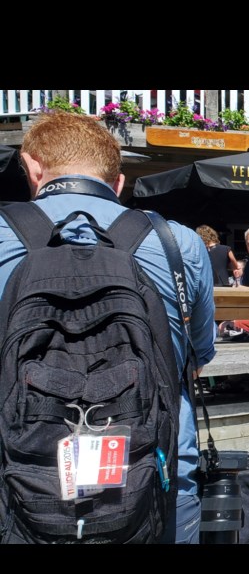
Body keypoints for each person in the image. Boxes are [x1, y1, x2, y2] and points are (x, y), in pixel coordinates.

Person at [0, 111, 216, 543]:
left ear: (32, 168)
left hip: (21, 480)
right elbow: (199, 354)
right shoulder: (179, 244)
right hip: (156, 475)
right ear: (118, 185)